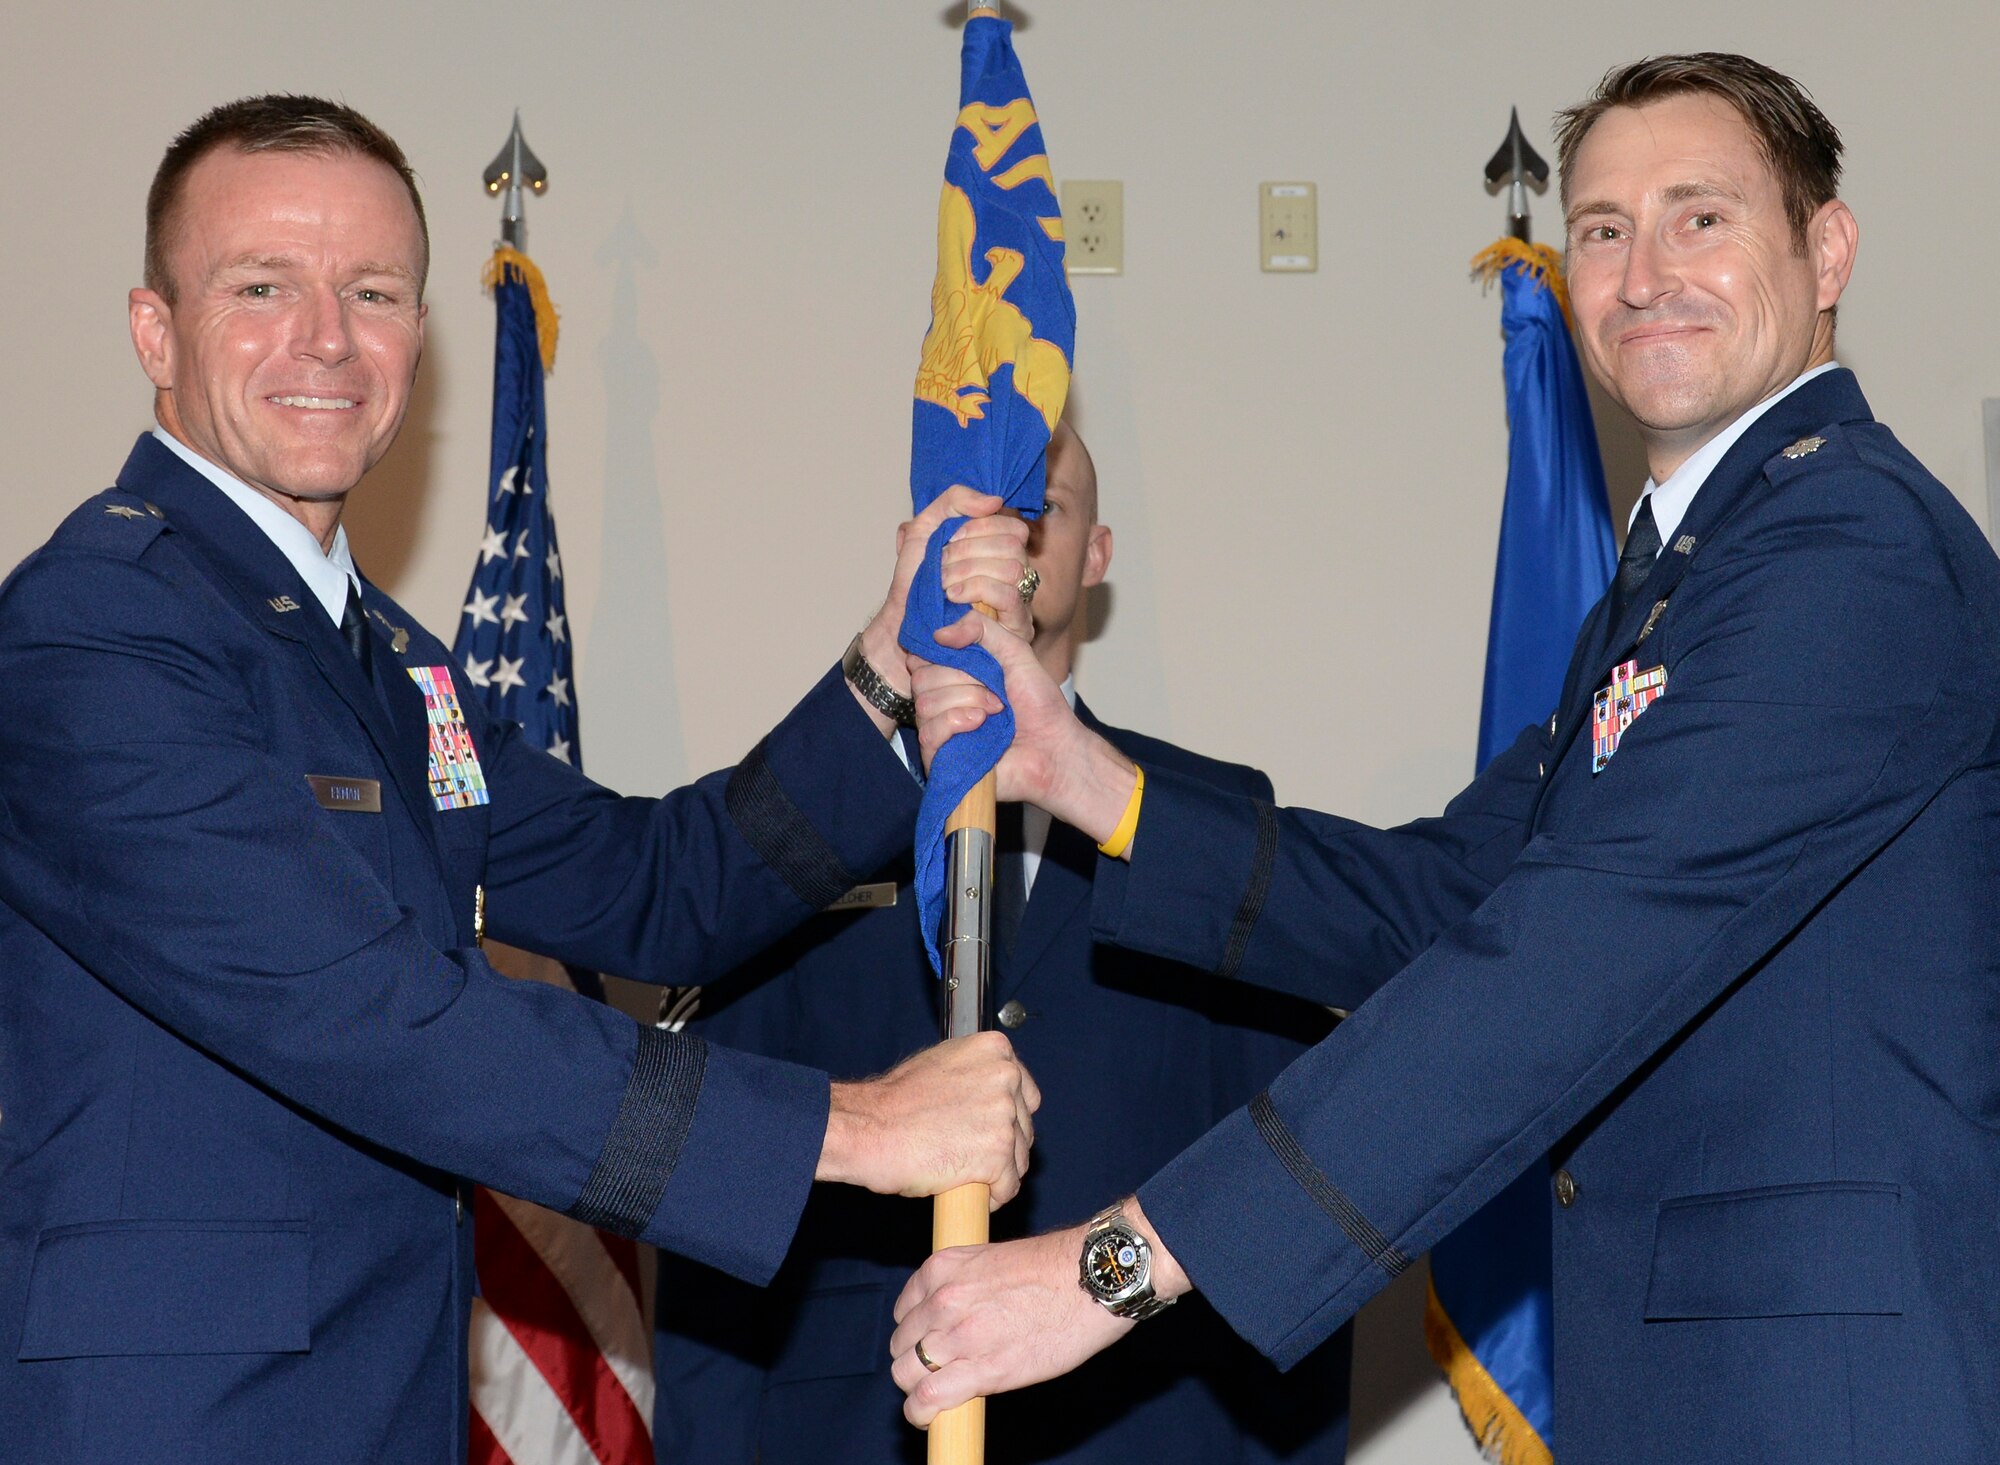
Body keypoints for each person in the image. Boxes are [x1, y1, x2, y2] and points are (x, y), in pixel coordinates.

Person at [890, 53, 2000, 1460]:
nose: (1644, 271)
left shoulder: (1853, 551)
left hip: (1829, 1402)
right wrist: (1084, 778)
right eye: (1602, 230)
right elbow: (1445, 902)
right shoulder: (1680, 581)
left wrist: (1118, 1262)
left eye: (1700, 217)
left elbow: (1563, 957)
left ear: (1825, 248)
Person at [0, 95, 1041, 1465]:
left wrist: (884, 670)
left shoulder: (389, 663)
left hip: (383, 1398)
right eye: (261, 288)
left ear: (414, 342)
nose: (325, 337)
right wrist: (843, 1129)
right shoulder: (96, 629)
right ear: (157, 332)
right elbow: (374, 1012)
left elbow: (655, 888)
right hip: (172, 1421)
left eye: (370, 292)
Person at [652, 422, 1351, 1464]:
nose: (1002, 545)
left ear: (1095, 552)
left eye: (1038, 511)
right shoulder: (799, 822)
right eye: (972, 516)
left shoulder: (1203, 818)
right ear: (916, 545)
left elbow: (1296, 1164)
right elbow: (716, 1180)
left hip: (1151, 1421)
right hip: (851, 1426)